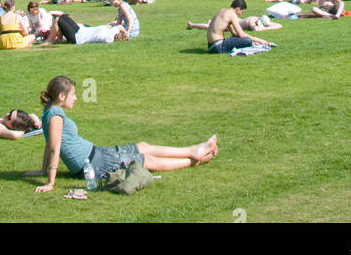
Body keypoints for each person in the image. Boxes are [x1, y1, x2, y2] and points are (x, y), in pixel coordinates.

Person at [31, 75, 218, 192]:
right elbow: (54, 148)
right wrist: (50, 183)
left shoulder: (50, 111)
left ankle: (193, 150)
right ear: (62, 97)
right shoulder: (55, 115)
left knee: (143, 147)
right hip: (96, 165)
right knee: (146, 160)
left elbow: (49, 143)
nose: (76, 98)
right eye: (72, 94)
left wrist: (42, 170)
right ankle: (194, 159)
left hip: (97, 154)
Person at [189, 0, 275, 53]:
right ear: (238, 9)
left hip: (211, 46)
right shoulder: (232, 15)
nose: (241, 14)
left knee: (245, 40)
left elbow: (234, 33)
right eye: (242, 12)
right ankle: (253, 43)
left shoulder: (222, 11)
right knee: (247, 40)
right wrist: (260, 40)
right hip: (218, 47)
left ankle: (251, 43)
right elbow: (241, 34)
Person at [43, 13, 128, 45]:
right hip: (80, 31)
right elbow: (118, 27)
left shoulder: (109, 38)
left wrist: (127, 34)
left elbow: (120, 27)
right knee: (64, 16)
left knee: (58, 19)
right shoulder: (110, 34)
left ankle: (49, 41)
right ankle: (60, 39)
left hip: (77, 37)